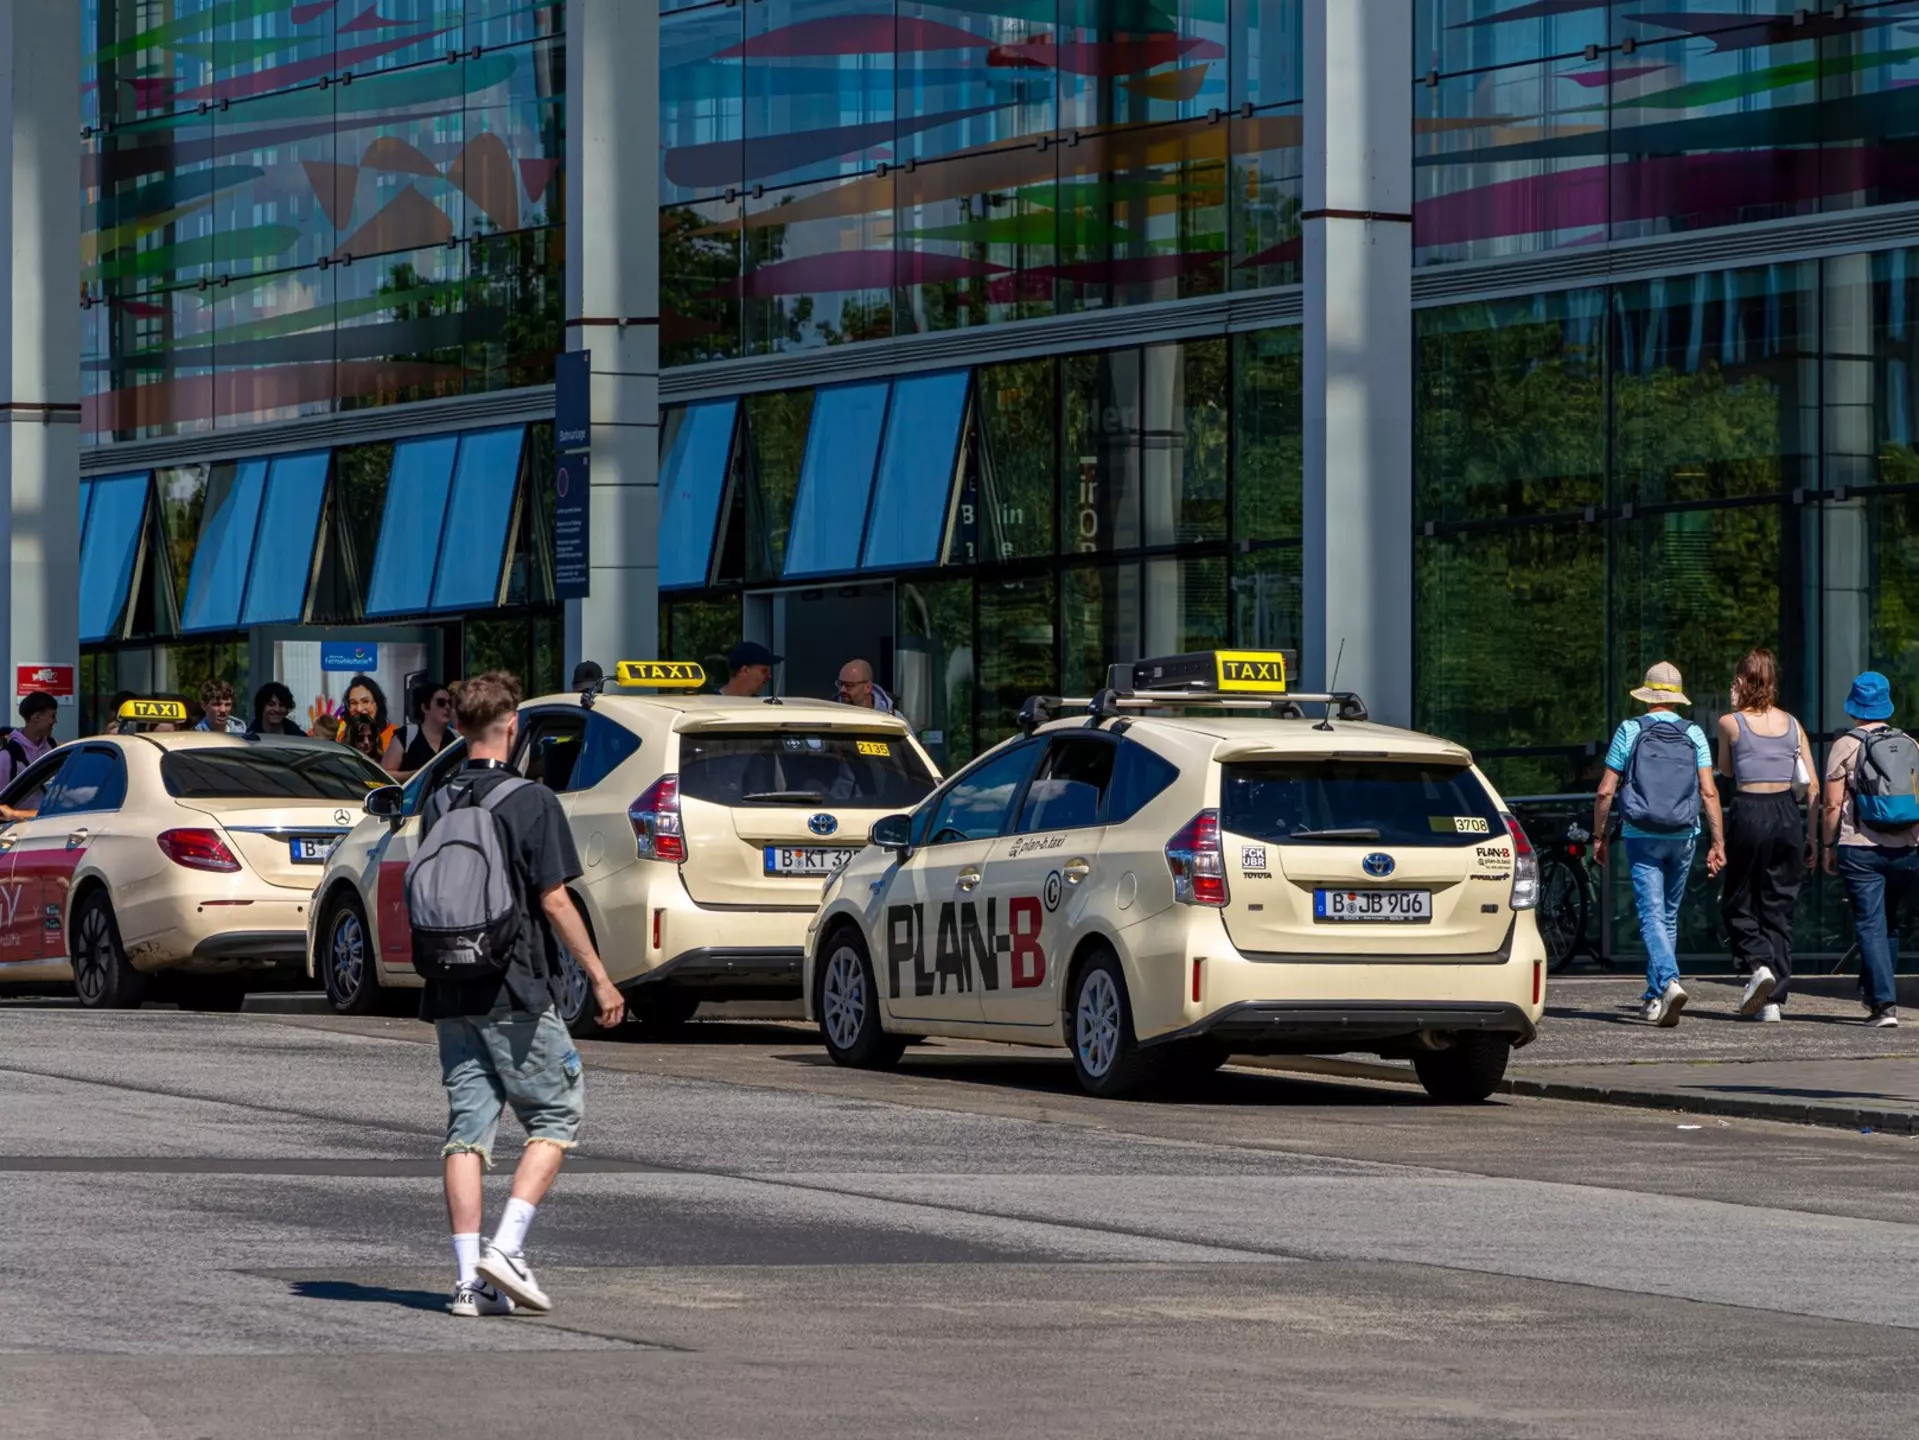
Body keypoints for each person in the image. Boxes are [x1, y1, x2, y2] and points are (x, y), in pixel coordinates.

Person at [420, 671, 623, 1318]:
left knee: (466, 1135)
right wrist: (597, 974)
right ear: (512, 728)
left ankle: (464, 1282)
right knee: (556, 1118)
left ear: (459, 729)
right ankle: (506, 1248)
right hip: (513, 984)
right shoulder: (531, 800)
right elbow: (554, 899)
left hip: (450, 986)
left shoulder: (437, 798)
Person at [1592, 662, 1725, 1027]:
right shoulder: (1695, 734)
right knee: (1667, 915)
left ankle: (1668, 981)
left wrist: (1598, 836)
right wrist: (1718, 841)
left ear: (1647, 695)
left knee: (1651, 914)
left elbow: (1605, 790)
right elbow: (1709, 791)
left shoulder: (1630, 730)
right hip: (1683, 835)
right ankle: (1654, 998)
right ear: (1676, 700)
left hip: (1641, 834)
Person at [1714, 650, 1819, 1023]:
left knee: (1738, 898)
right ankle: (1773, 1001)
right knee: (1779, 905)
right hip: (1787, 815)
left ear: (1741, 682)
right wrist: (1812, 836)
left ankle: (1758, 964)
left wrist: (1734, 708)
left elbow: (1726, 771)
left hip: (1750, 810)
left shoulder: (1730, 722)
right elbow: (1813, 785)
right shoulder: (1793, 723)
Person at [1823, 672, 1919, 1029]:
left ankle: (1884, 1005)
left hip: (1860, 846)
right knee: (1890, 923)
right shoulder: (1909, 742)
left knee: (1869, 922)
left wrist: (1828, 845)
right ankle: (1875, 992)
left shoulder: (1846, 745)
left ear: (1854, 708)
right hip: (1906, 848)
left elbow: (1833, 806)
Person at [384, 679, 458, 777]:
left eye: (450, 702)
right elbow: (385, 775)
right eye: (441, 702)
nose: (447, 707)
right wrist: (415, 775)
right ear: (424, 708)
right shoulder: (407, 735)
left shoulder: (457, 739)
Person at [316, 674, 396, 754]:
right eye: (353, 703)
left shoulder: (395, 736)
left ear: (377, 704)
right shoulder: (340, 732)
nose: (359, 709)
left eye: (365, 701)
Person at [0, 692, 59, 789]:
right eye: (52, 716)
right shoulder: (7, 757)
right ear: (36, 717)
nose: (55, 721)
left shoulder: (53, 747)